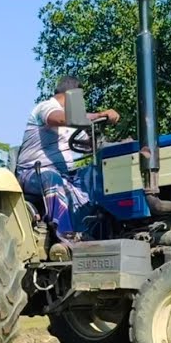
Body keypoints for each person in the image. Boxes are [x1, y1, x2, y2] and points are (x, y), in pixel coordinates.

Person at [14, 76, 116, 244]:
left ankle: (96, 232)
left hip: (65, 174)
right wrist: (99, 114)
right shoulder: (45, 107)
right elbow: (59, 118)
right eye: (80, 98)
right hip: (32, 174)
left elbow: (87, 144)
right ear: (72, 95)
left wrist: (107, 141)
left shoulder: (73, 121)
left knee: (97, 175)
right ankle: (64, 235)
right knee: (51, 178)